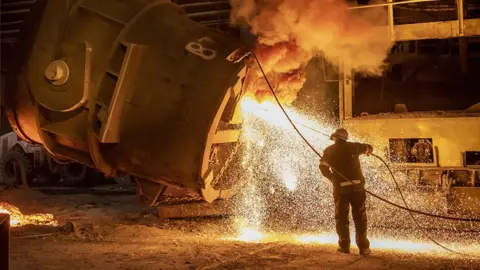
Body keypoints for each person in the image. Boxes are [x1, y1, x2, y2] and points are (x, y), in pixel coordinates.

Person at [319, 128, 373, 256]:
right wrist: (368, 151)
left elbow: (323, 167)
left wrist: (333, 178)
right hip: (357, 188)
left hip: (341, 189)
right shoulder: (354, 147)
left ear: (335, 138)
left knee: (342, 218)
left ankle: (344, 246)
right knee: (360, 217)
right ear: (345, 138)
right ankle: (364, 247)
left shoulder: (329, 151)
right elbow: (369, 147)